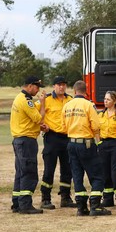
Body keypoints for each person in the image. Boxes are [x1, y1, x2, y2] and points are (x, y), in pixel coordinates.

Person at [63, 80, 110, 216]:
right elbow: (95, 125)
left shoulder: (67, 105)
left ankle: (81, 207)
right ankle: (95, 205)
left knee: (77, 175)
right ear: (86, 91)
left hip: (71, 143)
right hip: (86, 143)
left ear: (74, 91)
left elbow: (63, 126)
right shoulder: (89, 105)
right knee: (97, 175)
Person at [10, 76, 47, 214]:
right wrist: (42, 103)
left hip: (19, 139)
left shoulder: (19, 98)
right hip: (26, 141)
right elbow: (39, 118)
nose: (37, 91)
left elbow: (29, 117)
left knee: (20, 172)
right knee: (29, 172)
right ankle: (25, 204)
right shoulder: (26, 101)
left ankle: (17, 203)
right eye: (37, 87)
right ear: (30, 86)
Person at [39, 76, 75, 209]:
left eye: (64, 85)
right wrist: (41, 125)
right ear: (54, 86)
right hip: (52, 137)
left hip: (67, 137)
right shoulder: (46, 100)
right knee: (49, 169)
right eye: (59, 85)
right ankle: (45, 198)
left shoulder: (70, 100)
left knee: (67, 169)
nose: (62, 87)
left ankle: (65, 197)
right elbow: (36, 115)